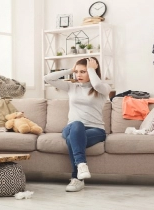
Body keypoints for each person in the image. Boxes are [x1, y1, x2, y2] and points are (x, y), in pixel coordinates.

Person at [44, 57, 111, 192]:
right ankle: (81, 165)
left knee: (72, 139)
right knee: (77, 125)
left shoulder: (103, 88)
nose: (78, 75)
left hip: (96, 130)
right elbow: (47, 78)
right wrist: (70, 69)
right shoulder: (72, 87)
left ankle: (77, 179)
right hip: (72, 127)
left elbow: (96, 85)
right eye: (77, 72)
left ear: (92, 72)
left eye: (83, 71)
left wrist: (91, 69)